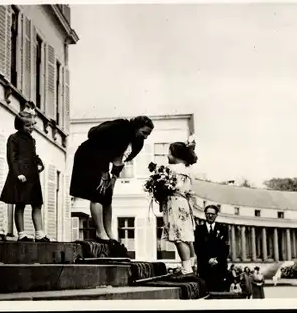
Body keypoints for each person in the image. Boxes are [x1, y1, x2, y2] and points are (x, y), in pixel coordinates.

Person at [70, 116, 154, 244]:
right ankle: (100, 232)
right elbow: (102, 149)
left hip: (103, 159)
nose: (146, 136)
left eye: (148, 134)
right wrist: (104, 172)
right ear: (136, 127)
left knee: (107, 195)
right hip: (88, 156)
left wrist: (113, 178)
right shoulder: (120, 129)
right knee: (97, 192)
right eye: (144, 132)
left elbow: (119, 159)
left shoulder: (137, 142)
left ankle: (109, 232)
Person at [0, 108, 50, 242]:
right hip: (21, 176)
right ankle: (21, 234)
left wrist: (40, 163)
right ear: (19, 125)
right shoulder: (13, 138)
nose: (31, 127)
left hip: (33, 176)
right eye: (28, 125)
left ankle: (40, 234)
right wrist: (18, 173)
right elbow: (11, 158)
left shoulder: (31, 140)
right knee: (20, 204)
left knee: (37, 204)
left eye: (33, 124)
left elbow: (33, 155)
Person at [162, 140, 198, 276]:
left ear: (175, 154)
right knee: (186, 236)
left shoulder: (172, 169)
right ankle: (191, 266)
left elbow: (166, 187)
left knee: (179, 237)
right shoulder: (188, 169)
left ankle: (186, 269)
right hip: (184, 203)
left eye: (169, 153)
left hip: (175, 203)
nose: (167, 156)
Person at [194, 204, 230, 291]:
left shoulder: (223, 229)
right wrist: (208, 260)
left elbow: (225, 249)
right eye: (208, 213)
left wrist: (217, 260)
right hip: (204, 267)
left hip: (219, 267)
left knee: (219, 294)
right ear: (205, 214)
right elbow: (197, 248)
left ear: (216, 215)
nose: (210, 215)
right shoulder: (198, 229)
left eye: (212, 214)